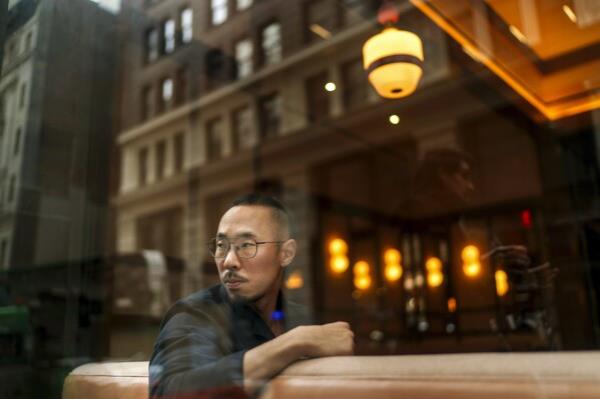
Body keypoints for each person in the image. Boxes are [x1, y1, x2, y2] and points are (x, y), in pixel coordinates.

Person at [149, 193, 354, 398]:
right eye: (222, 246)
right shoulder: (196, 314)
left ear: (286, 253)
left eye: (247, 245)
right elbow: (170, 391)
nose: (229, 261)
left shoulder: (300, 316)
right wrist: (296, 342)